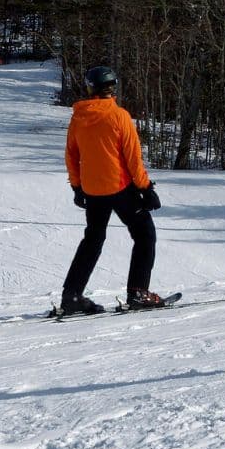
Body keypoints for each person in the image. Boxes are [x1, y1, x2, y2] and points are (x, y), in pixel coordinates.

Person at [57, 66, 163, 316]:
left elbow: (71, 155)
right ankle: (138, 292)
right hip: (120, 188)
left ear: (90, 88)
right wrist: (146, 188)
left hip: (92, 190)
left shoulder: (78, 117)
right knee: (144, 234)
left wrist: (77, 186)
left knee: (92, 240)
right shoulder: (119, 116)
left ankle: (71, 295)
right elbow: (133, 159)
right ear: (113, 88)